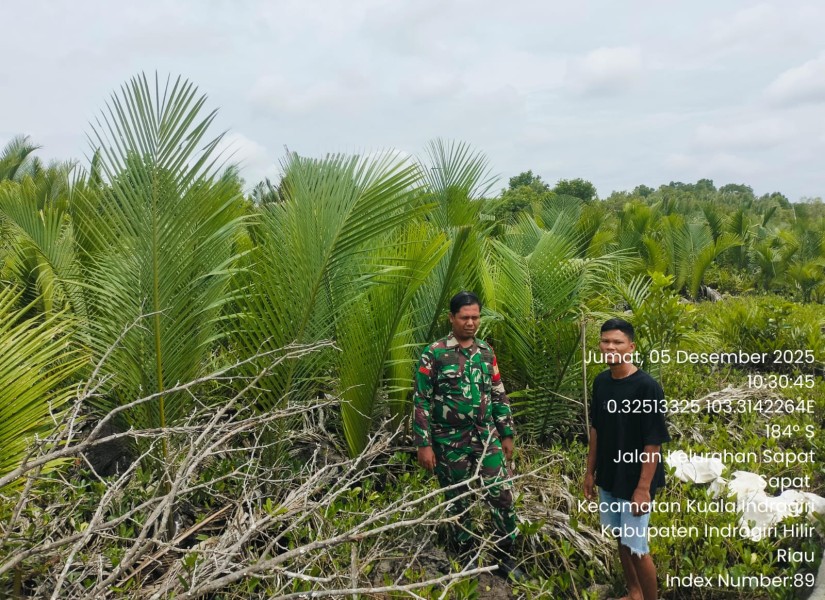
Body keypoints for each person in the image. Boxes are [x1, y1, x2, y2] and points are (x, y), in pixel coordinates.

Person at [413, 291, 525, 581]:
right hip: (449, 441)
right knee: (458, 499)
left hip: (485, 436)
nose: (471, 322)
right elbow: (422, 401)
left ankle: (506, 555)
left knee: (501, 493)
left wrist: (507, 433)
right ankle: (465, 555)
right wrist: (424, 444)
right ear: (451, 318)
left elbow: (498, 394)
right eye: (465, 317)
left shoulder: (486, 352)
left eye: (475, 317)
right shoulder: (434, 354)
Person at [583, 318, 670, 600]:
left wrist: (643, 489)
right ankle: (634, 592)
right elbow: (596, 429)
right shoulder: (601, 382)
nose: (610, 347)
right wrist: (589, 472)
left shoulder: (647, 387)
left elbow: (653, 442)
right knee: (621, 537)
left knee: (637, 546)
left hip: (635, 479)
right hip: (609, 474)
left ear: (630, 347)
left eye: (617, 342)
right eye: (605, 341)